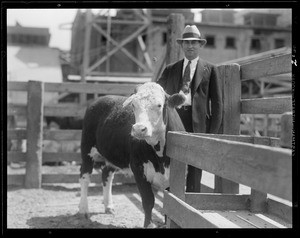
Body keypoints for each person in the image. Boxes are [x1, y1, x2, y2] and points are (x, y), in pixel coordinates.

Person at [157, 25, 223, 192]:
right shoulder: (171, 69)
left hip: (198, 124)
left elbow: (217, 104)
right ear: (182, 45)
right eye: (186, 42)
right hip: (173, 120)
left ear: (200, 45)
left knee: (195, 166)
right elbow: (156, 90)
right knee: (171, 161)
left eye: (194, 42)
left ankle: (192, 203)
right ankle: (172, 205)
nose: (190, 46)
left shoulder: (210, 69)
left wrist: (212, 133)